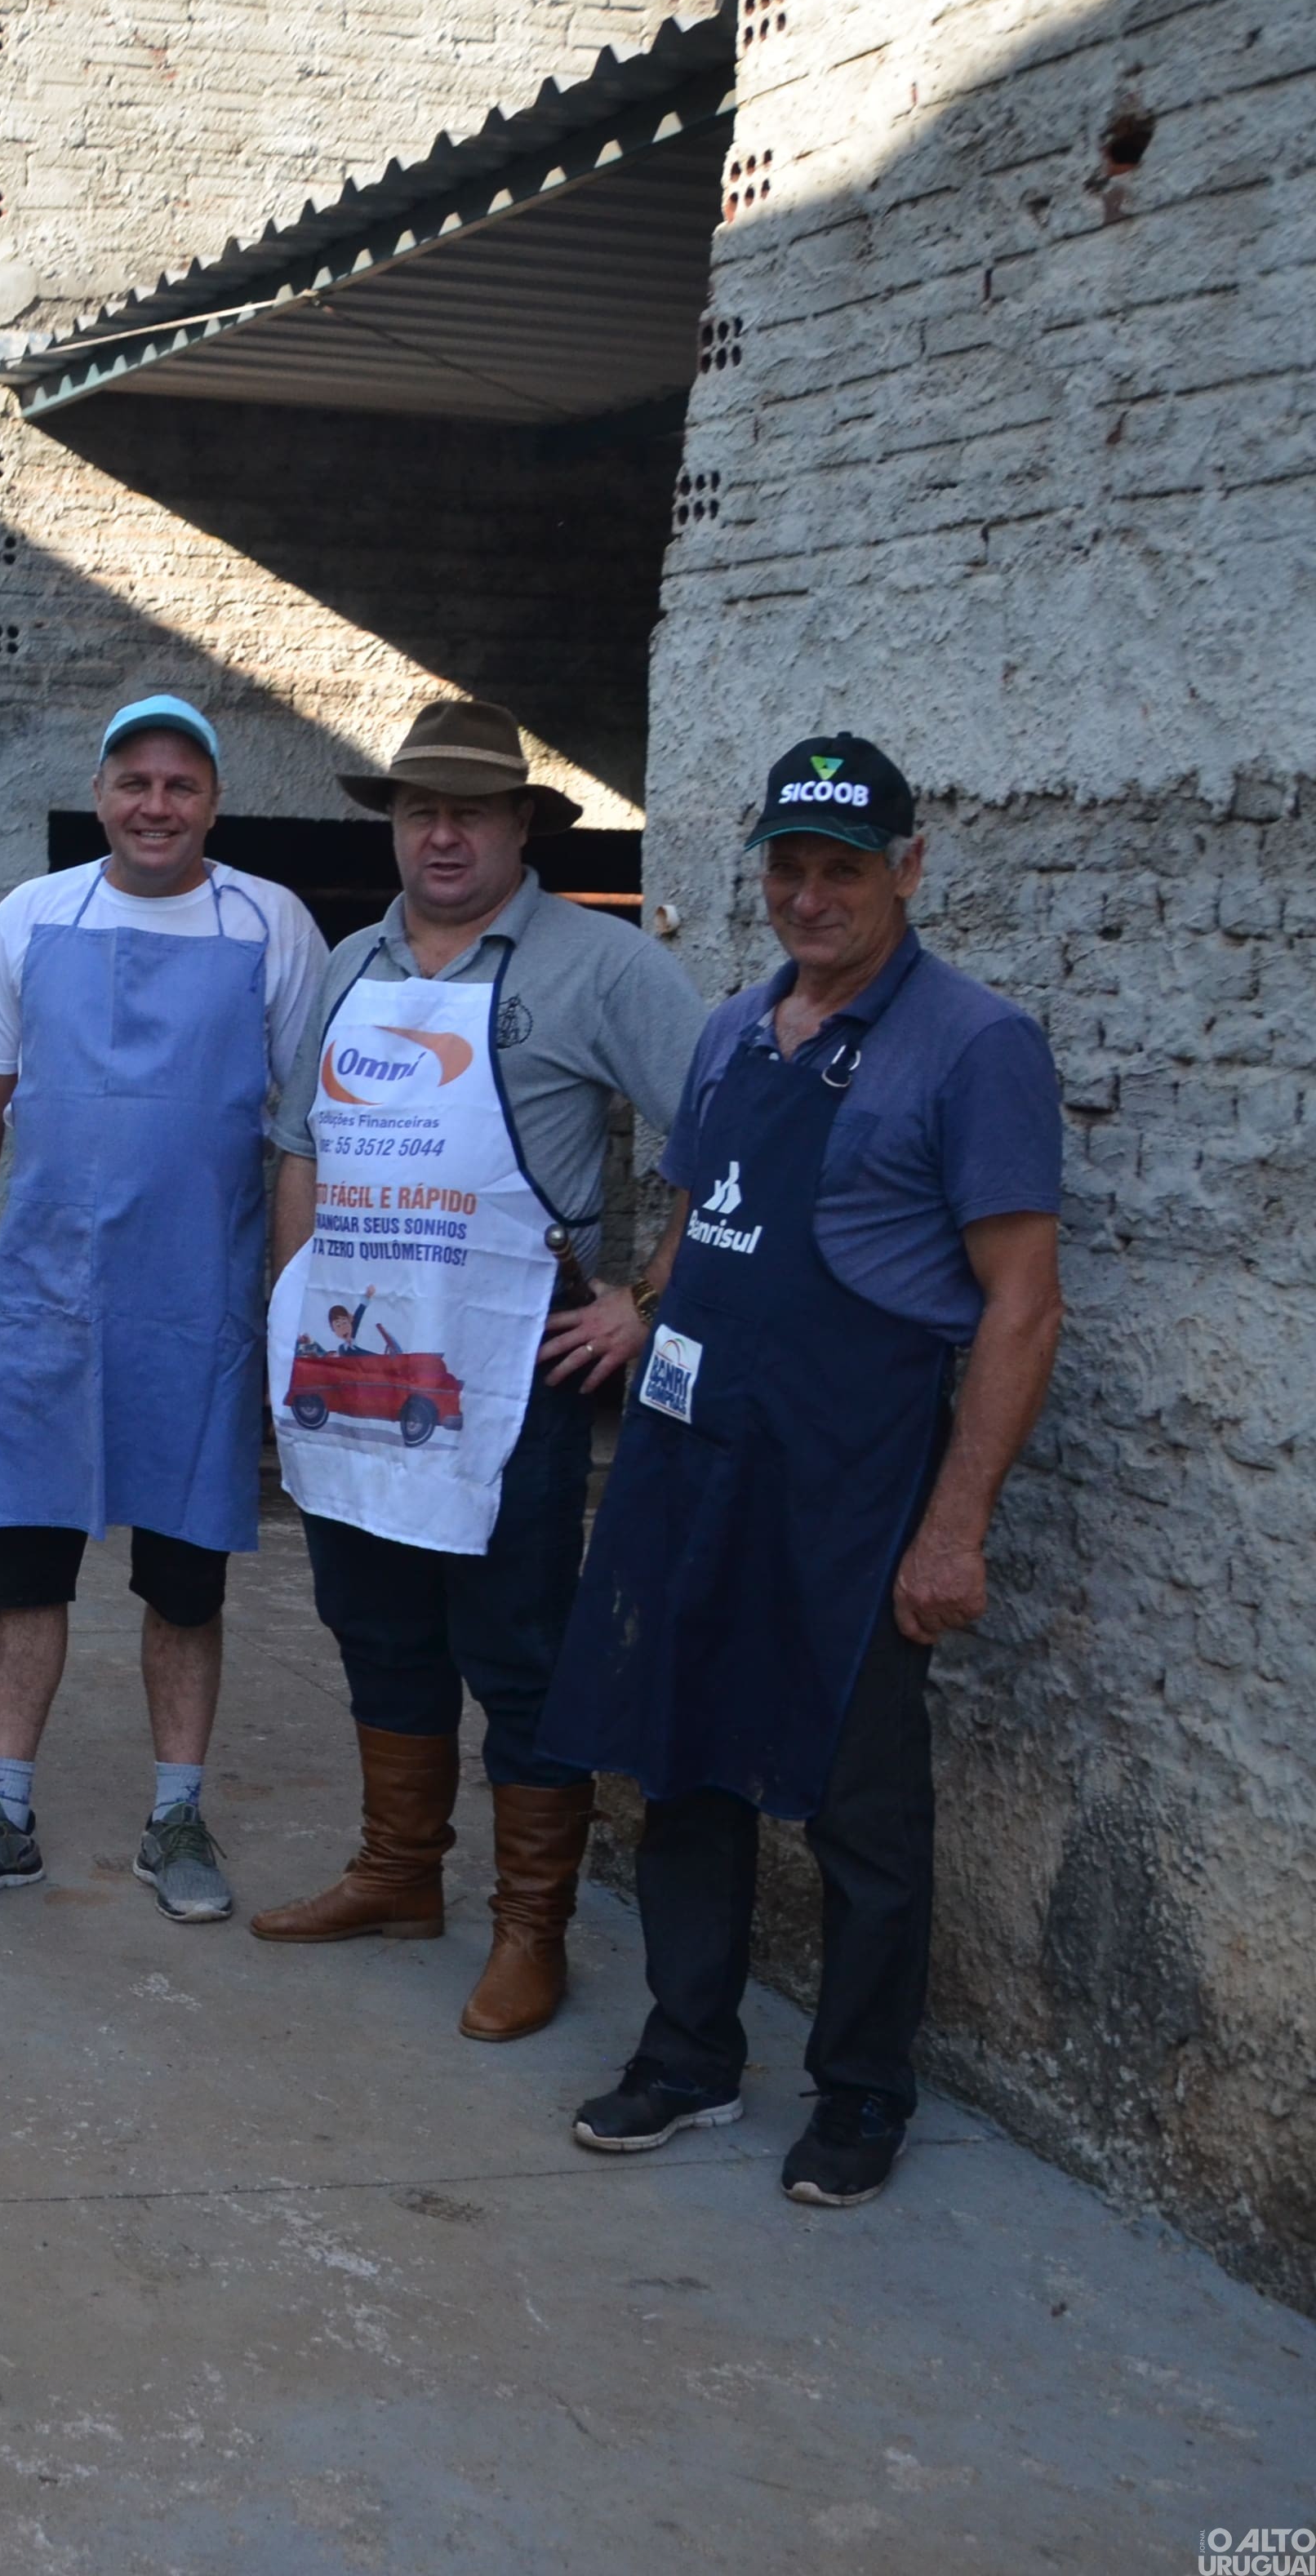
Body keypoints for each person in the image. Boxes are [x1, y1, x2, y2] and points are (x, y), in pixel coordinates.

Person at [549, 736, 1063, 2210]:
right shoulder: (727, 1030)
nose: (809, 893)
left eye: (842, 865)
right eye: (787, 863)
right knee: (679, 1758)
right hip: (686, 1462)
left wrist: (951, 1527)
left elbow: (1019, 1305)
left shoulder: (972, 1046)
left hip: (848, 1486)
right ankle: (686, 2050)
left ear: (905, 867)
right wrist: (640, 1307)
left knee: (857, 1810)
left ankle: (859, 2088)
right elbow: (699, 1212)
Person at [248, 703, 703, 2041]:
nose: (439, 833)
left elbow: (726, 1136)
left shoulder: (597, 966)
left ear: (518, 827)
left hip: (506, 1375)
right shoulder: (344, 965)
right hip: (359, 1367)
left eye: (468, 811)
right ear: (391, 821)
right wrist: (291, 1315)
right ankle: (396, 1874)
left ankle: (526, 1927)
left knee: (514, 1651)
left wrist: (641, 1300)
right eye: (415, 808)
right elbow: (297, 1151)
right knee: (372, 1626)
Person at [0, 696, 327, 1924]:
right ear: (99, 794)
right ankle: (4, 1810)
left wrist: (291, 1312)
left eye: (181, 786)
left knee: (185, 1582)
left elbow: (303, 1131)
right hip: (45, 1310)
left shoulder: (273, 925)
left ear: (212, 801)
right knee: (25, 1568)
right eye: (134, 782)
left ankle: (174, 1817)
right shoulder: (34, 918)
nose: (156, 806)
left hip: (198, 1315)